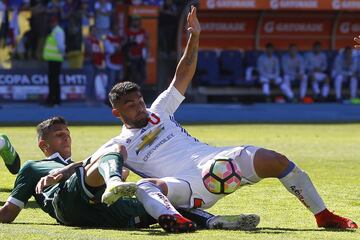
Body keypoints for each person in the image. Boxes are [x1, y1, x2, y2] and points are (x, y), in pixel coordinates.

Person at [75, 6, 356, 233]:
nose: (140, 107)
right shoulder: (119, 143)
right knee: (145, 186)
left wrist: (194, 36)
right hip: (182, 187)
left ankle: (323, 215)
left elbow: (182, 73)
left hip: (215, 163)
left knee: (276, 160)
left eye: (139, 101)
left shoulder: (160, 110)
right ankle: (177, 220)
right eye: (131, 105)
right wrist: (55, 174)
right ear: (117, 113)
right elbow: (90, 164)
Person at [0, 117, 260, 231]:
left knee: (159, 198)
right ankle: (112, 183)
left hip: (103, 213)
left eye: (67, 133)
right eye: (58, 135)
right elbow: (8, 214)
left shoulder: (86, 164)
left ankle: (213, 221)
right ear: (43, 146)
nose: (66, 137)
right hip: (68, 204)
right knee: (115, 149)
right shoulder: (34, 167)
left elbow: (101, 163)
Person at [42, 16, 65, 107]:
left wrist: (62, 54)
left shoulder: (58, 31)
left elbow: (60, 45)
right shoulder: (55, 31)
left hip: (56, 59)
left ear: (55, 22)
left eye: (52, 22)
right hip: (53, 59)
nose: (51, 24)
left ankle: (55, 100)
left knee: (54, 80)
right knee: (53, 80)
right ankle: (53, 99)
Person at [126, 15, 149, 86]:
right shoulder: (128, 32)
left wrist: (147, 52)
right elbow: (126, 45)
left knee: (143, 75)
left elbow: (146, 42)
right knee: (133, 76)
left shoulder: (142, 31)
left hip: (141, 57)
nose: (136, 22)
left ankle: (139, 90)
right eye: (135, 21)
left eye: (137, 21)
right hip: (132, 57)